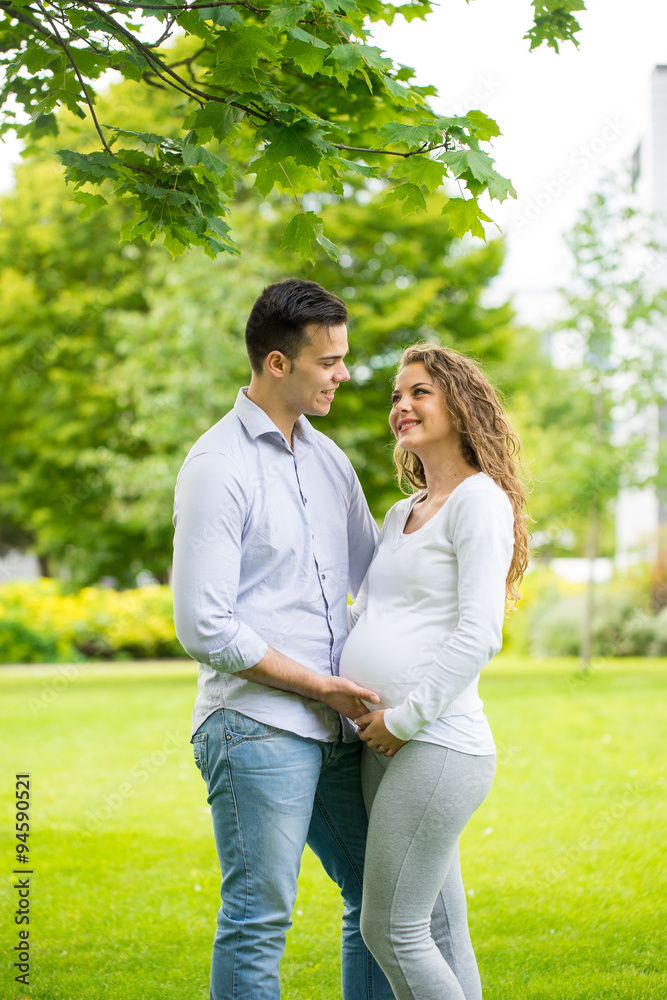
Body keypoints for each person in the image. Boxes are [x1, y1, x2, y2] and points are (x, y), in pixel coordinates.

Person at [171, 278, 395, 1000]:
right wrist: (316, 684)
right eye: (328, 361)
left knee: (381, 900)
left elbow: (378, 574)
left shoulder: (328, 461)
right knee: (259, 918)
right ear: (276, 363)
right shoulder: (218, 466)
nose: (344, 373)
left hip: (335, 727)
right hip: (256, 725)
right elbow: (202, 623)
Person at [339, 343, 530, 1000]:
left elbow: (480, 631)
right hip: (383, 742)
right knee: (439, 931)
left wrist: (404, 718)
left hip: (434, 741)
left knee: (390, 928)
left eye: (419, 392)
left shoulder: (479, 502)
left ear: (460, 402)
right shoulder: (402, 511)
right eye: (396, 395)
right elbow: (378, 614)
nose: (401, 406)